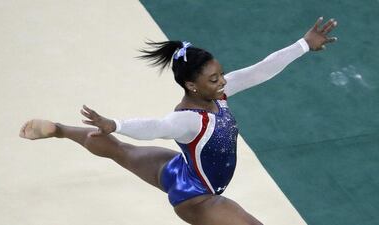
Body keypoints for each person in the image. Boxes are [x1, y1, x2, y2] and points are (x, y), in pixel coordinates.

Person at [19, 17, 337, 225]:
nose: (223, 82)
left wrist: (303, 45)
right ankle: (62, 130)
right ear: (191, 86)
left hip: (179, 172)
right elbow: (156, 127)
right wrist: (115, 123)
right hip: (198, 198)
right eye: (214, 79)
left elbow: (259, 70)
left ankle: (58, 130)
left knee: (119, 152)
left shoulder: (218, 95)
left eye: (220, 74)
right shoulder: (188, 120)